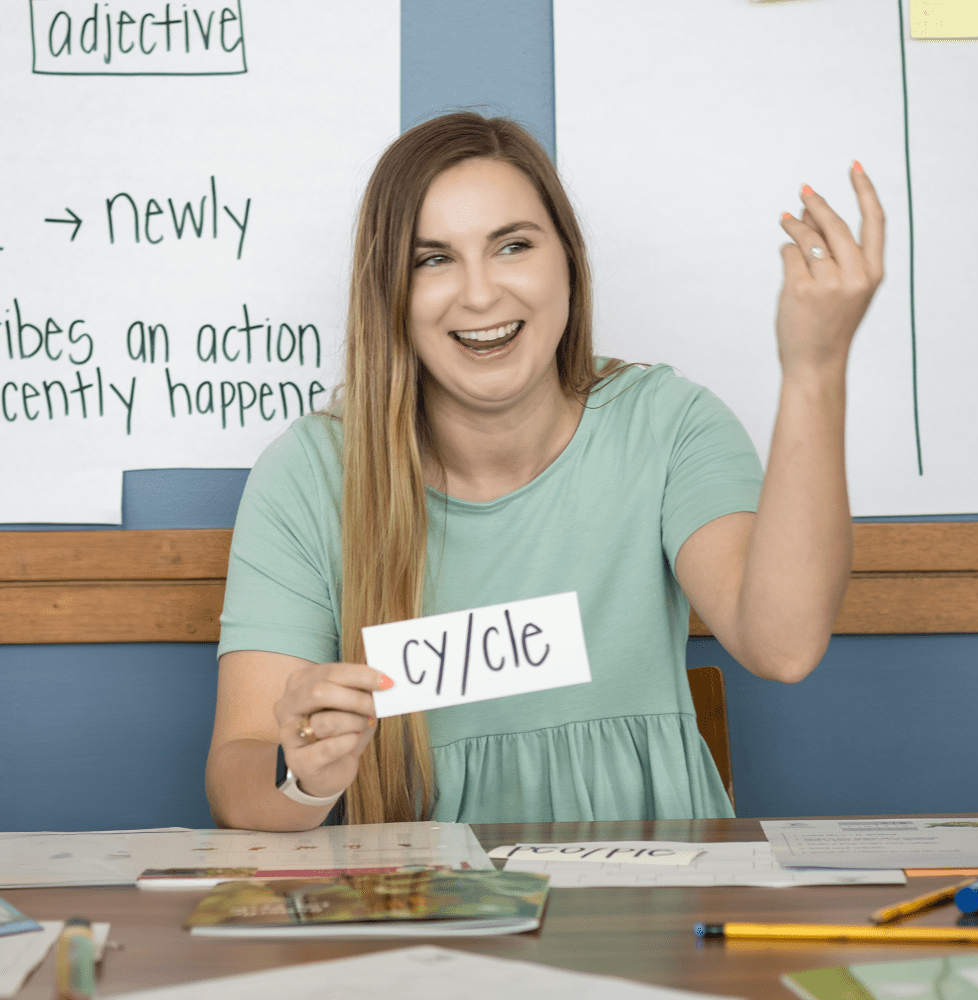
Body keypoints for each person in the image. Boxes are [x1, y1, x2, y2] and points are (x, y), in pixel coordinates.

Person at [206, 112, 884, 831]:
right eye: (432, 259)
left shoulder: (668, 423)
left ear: (568, 260)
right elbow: (238, 764)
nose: (479, 294)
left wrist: (815, 368)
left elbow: (782, 646)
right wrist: (305, 783)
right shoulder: (310, 475)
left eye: (513, 246)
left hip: (656, 909)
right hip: (427, 914)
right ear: (390, 294)